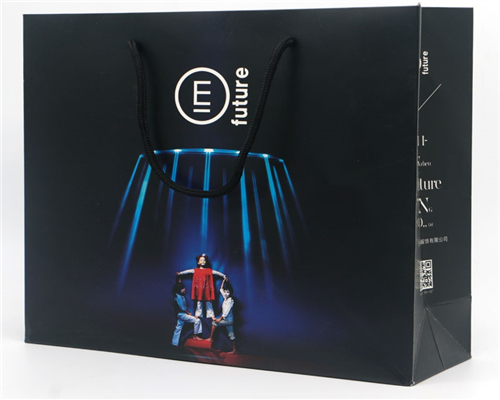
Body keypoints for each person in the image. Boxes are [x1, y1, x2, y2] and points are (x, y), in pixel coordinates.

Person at [176, 254, 226, 318]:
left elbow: (216, 273)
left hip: (207, 290)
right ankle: (198, 314)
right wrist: (180, 273)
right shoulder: (195, 270)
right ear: (198, 262)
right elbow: (188, 271)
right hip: (199, 290)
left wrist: (223, 276)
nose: (202, 261)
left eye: (204, 260)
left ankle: (211, 315)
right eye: (201, 260)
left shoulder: (209, 271)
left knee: (209, 302)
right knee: (199, 302)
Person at [206, 277, 237, 354]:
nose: (226, 293)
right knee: (231, 335)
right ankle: (234, 350)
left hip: (228, 320)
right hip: (228, 320)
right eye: (225, 292)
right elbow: (221, 289)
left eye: (228, 292)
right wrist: (224, 281)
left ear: (230, 293)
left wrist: (219, 319)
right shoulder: (225, 298)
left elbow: (226, 312)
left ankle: (210, 338)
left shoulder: (230, 301)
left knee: (214, 323)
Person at [171, 280, 202, 346]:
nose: (184, 289)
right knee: (197, 320)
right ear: (179, 289)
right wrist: (188, 313)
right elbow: (182, 307)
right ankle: (195, 336)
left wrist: (179, 278)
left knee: (178, 328)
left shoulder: (180, 296)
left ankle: (174, 344)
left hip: (180, 314)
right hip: (182, 314)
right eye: (182, 288)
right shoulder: (178, 297)